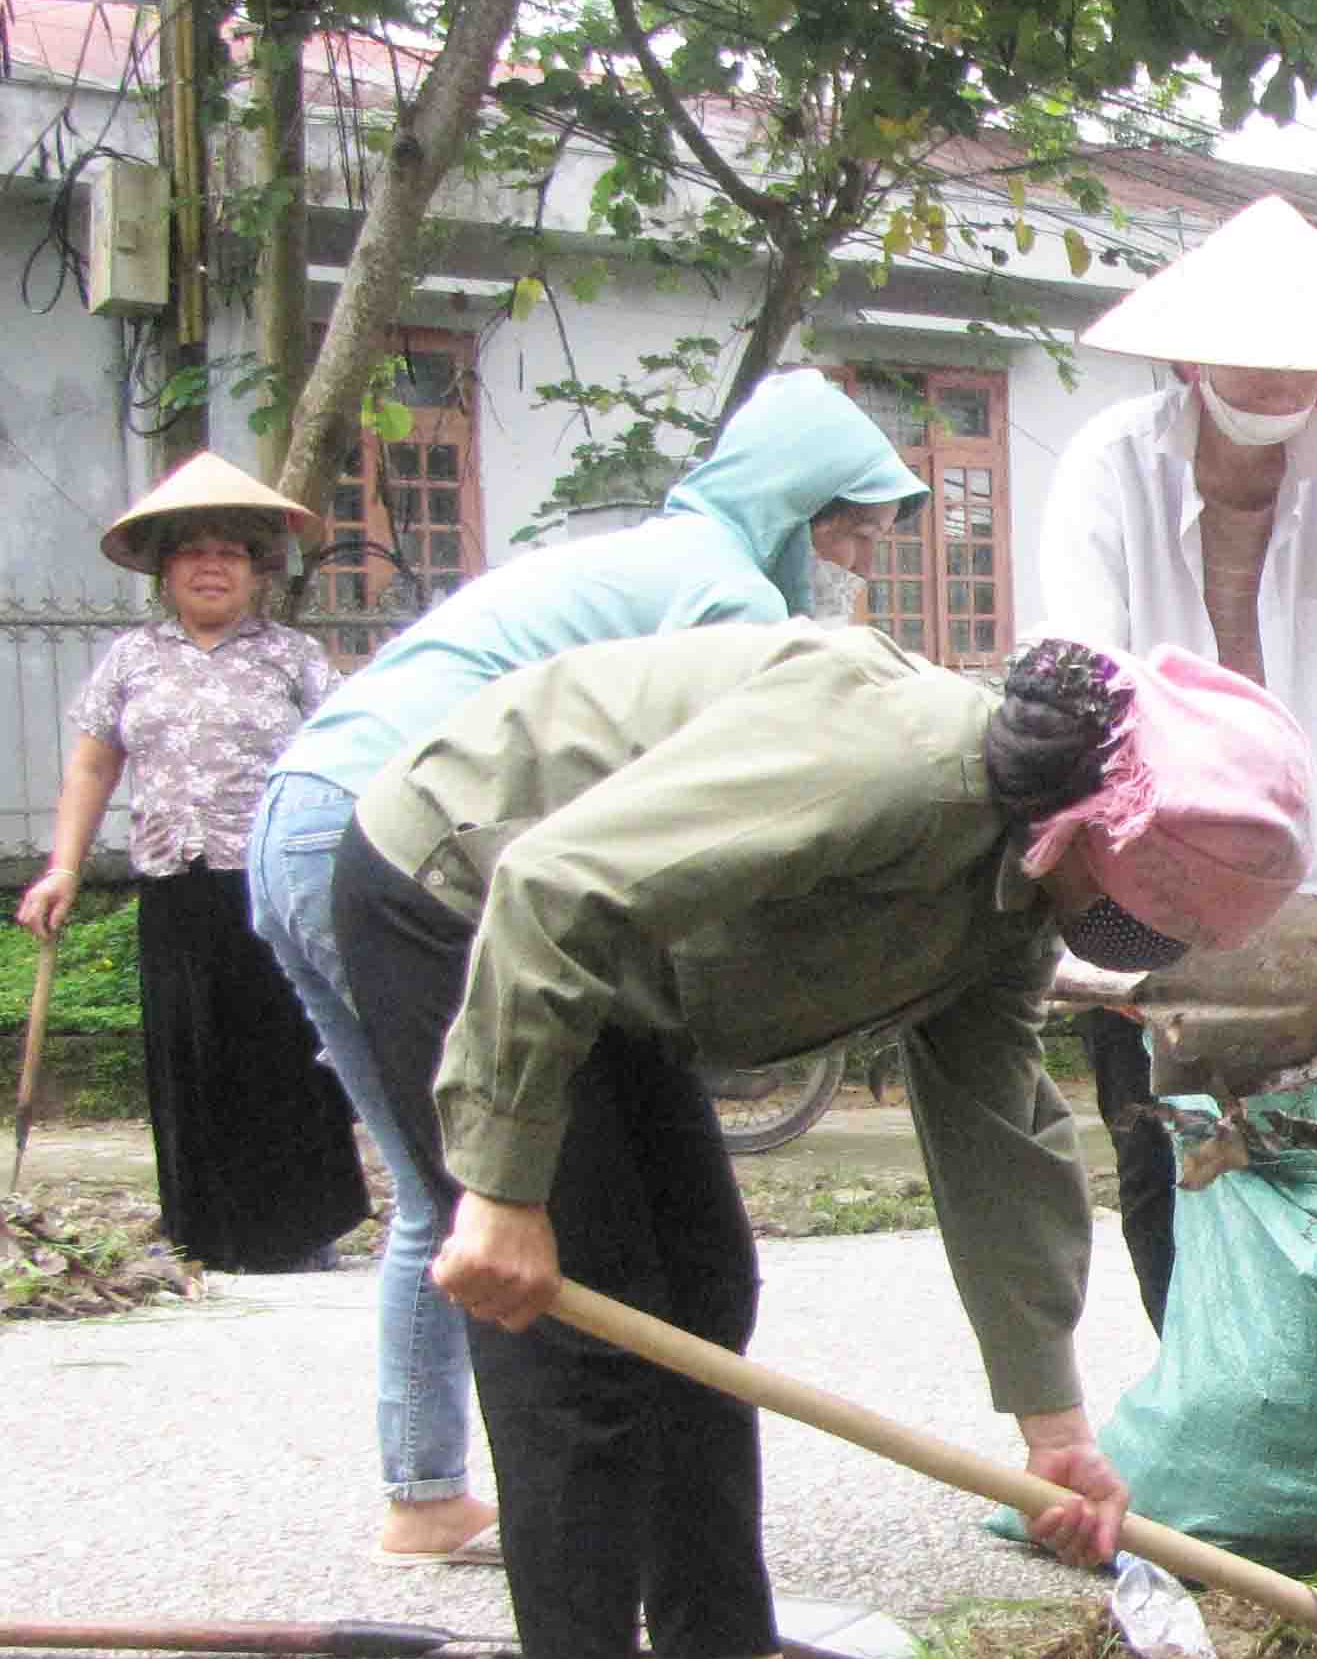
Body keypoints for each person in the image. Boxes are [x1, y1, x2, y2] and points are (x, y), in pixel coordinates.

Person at [329, 622, 1312, 1659]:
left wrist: (1052, 1429)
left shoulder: (1015, 884)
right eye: (1144, 910)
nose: (1137, 939)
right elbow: (557, 887)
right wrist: (504, 1191)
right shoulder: (897, 767)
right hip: (467, 890)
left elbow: (994, 1126)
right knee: (580, 1333)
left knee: (703, 1284)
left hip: (611, 962)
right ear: (1095, 825)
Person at [249, 369, 925, 1568]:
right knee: (508, 1184)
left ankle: (426, 1490)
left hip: (304, 814)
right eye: (847, 530)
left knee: (440, 1184)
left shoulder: (650, 556)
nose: (856, 561)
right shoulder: (719, 594)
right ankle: (579, 1539)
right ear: (787, 508)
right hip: (404, 840)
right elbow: (720, 819)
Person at [1036, 194, 1317, 1334]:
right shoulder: (1107, 470)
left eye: (1307, 360)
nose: (1283, 380)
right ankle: (1193, 1389)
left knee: (1291, 1148)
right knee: (1161, 1152)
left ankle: (1281, 1392)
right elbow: (1079, 684)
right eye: (1257, 354)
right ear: (1192, 351)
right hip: (1134, 884)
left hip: (1290, 895)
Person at [16, 455, 368, 1273]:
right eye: (192, 552)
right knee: (191, 1052)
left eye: (232, 552)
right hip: (174, 884)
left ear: (256, 571)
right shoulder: (132, 661)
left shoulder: (293, 659)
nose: (212, 566)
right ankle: (203, 1234)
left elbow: (348, 758)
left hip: (274, 881)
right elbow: (93, 768)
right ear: (166, 570)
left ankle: (296, 1228)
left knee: (285, 1046)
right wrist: (63, 867)